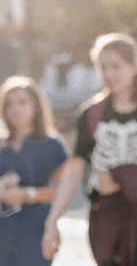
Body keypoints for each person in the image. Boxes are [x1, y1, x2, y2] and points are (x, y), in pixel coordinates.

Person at [42, 33, 137, 266]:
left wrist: (121, 179)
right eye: (103, 67)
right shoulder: (90, 114)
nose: (108, 74)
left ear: (134, 66)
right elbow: (74, 173)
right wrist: (52, 221)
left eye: (116, 66)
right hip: (104, 221)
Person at [0, 76, 69, 266]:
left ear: (36, 105)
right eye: (10, 103)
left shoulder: (53, 145)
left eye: (22, 102)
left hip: (35, 233)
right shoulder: (2, 147)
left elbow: (63, 190)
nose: (16, 109)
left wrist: (27, 194)